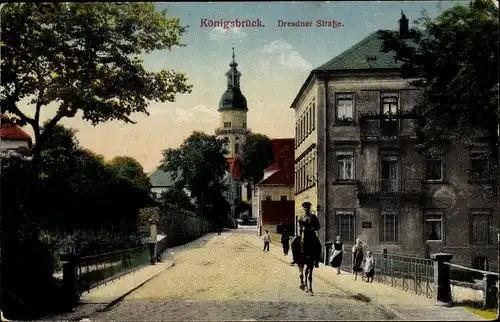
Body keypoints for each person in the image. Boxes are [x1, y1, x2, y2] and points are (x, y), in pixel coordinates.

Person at [297, 201, 321, 268]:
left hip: (311, 235)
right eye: (305, 208)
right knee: (294, 243)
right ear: (303, 209)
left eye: (307, 208)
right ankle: (295, 258)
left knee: (318, 245)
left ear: (309, 208)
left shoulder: (313, 217)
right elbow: (299, 226)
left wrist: (314, 228)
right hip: (303, 234)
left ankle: (316, 261)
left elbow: (318, 226)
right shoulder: (301, 217)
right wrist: (300, 232)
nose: (306, 209)